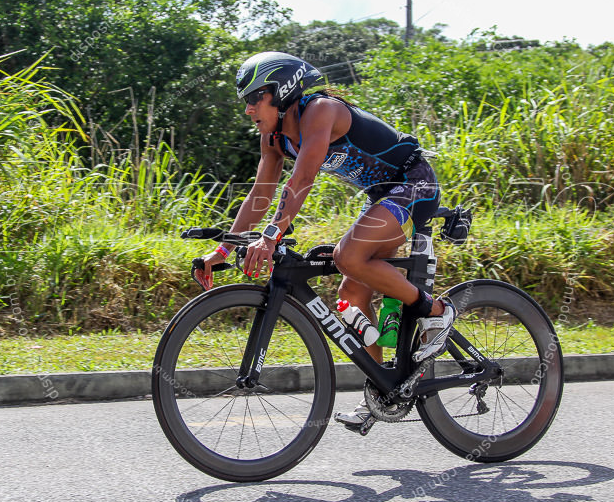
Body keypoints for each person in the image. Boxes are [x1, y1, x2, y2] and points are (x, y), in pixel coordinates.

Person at [194, 51, 455, 429]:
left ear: (279, 91)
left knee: (349, 256)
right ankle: (384, 389)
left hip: (414, 184)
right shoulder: (274, 137)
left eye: (254, 99)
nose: (248, 110)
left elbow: (302, 179)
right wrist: (223, 249)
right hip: (383, 196)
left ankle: (436, 311)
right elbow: (261, 193)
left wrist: (270, 237)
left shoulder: (321, 110)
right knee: (352, 292)